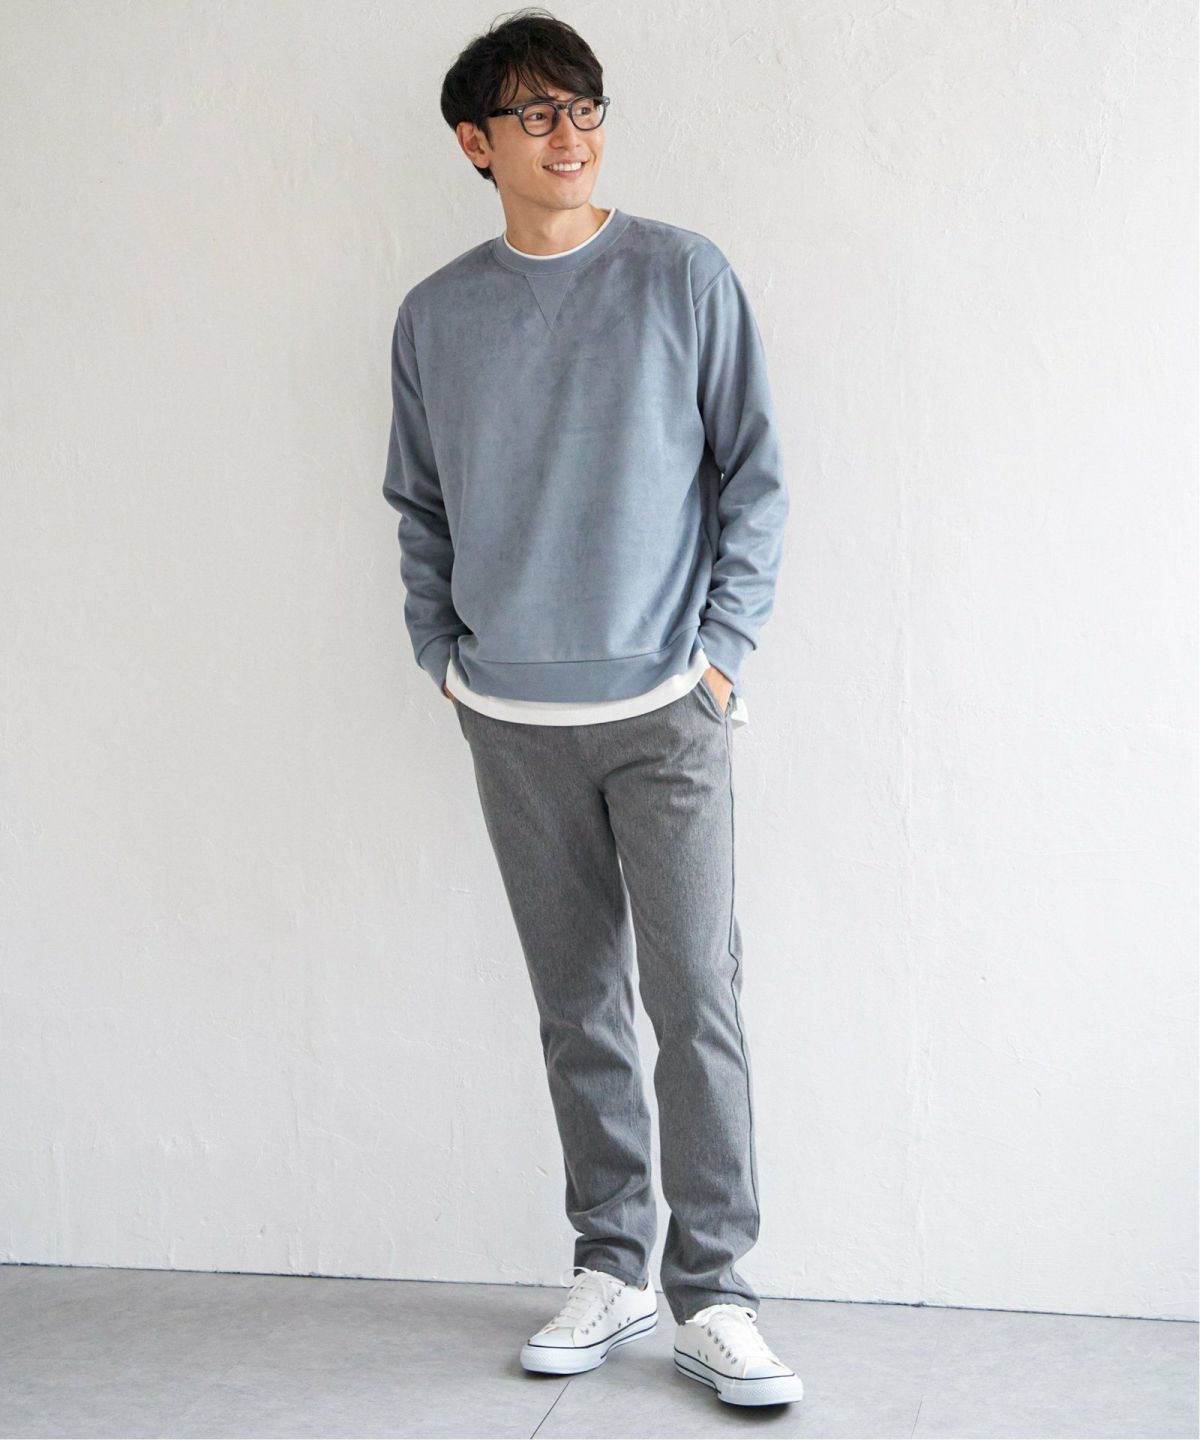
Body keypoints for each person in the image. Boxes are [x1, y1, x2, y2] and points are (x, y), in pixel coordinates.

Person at [382, 7, 801, 1409]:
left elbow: (754, 472)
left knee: (697, 1003)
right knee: (578, 1008)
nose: (570, 135)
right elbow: (418, 502)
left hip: (667, 704)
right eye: (537, 113)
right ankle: (613, 1265)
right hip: (510, 714)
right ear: (476, 141)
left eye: (585, 108)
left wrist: (720, 654)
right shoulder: (437, 314)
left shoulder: (683, 274)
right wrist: (443, 654)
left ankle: (717, 1293)